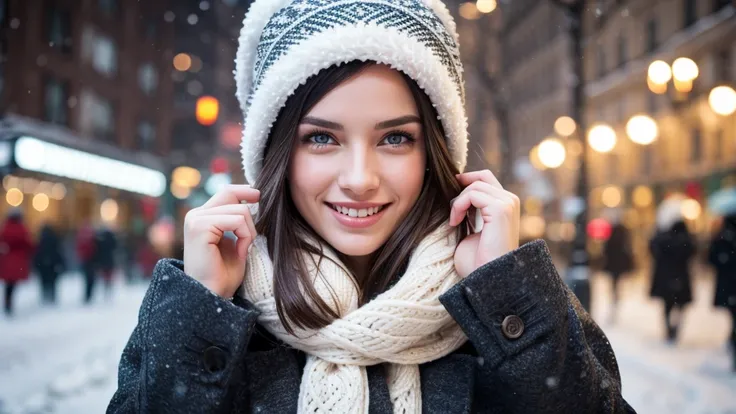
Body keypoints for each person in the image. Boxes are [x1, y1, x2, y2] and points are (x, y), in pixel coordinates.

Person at [108, 1, 634, 413]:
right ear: (277, 155)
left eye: (395, 139)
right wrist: (204, 311)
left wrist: (504, 295)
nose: (359, 179)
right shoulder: (211, 307)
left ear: (434, 152)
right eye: (321, 139)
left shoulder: (501, 302)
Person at [649, 220, 695, 343]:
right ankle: (675, 326)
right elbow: (692, 252)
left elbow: (653, 248)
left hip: (666, 278)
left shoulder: (664, 239)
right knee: (680, 305)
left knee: (667, 305)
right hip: (681, 278)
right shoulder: (686, 241)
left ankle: (669, 327)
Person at [708, 213, 736, 371]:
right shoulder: (723, 238)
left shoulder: (721, 238)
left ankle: (733, 342)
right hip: (730, 286)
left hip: (728, 286)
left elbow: (712, 259)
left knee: (733, 316)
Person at [0, 210, 34, 316]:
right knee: (12, 284)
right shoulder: (21, 229)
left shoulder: (5, 228)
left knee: (8, 284)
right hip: (18, 260)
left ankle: (7, 303)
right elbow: (28, 243)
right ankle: (9, 304)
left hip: (7, 260)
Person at [603, 221, 634, 306]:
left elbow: (606, 251)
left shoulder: (611, 240)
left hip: (613, 263)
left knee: (614, 278)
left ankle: (614, 291)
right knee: (617, 278)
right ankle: (615, 292)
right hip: (618, 263)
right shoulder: (622, 240)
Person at [33, 224, 66, 305]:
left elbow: (37, 253)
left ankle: (45, 296)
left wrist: (36, 264)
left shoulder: (40, 240)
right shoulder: (55, 239)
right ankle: (52, 297)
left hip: (43, 264)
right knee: (53, 281)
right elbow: (58, 251)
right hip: (53, 264)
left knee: (44, 281)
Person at [76, 221, 97, 304]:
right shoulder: (90, 238)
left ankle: (88, 295)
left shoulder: (85, 238)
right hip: (89, 261)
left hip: (87, 261)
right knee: (89, 279)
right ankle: (88, 295)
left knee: (88, 279)